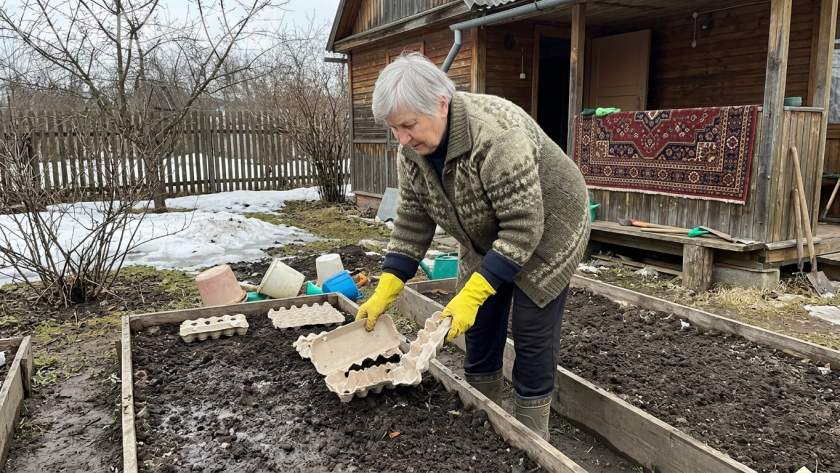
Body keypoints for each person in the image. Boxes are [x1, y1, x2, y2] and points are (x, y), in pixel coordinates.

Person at [356, 52, 590, 440]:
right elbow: (413, 220)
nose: (403, 138)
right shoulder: (413, 152)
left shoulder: (496, 135)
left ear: (441, 104)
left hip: (549, 228)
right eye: (395, 128)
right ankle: (485, 420)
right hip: (485, 232)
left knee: (531, 331)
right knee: (478, 323)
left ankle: (533, 436)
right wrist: (387, 288)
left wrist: (474, 292)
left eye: (409, 125)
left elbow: (522, 230)